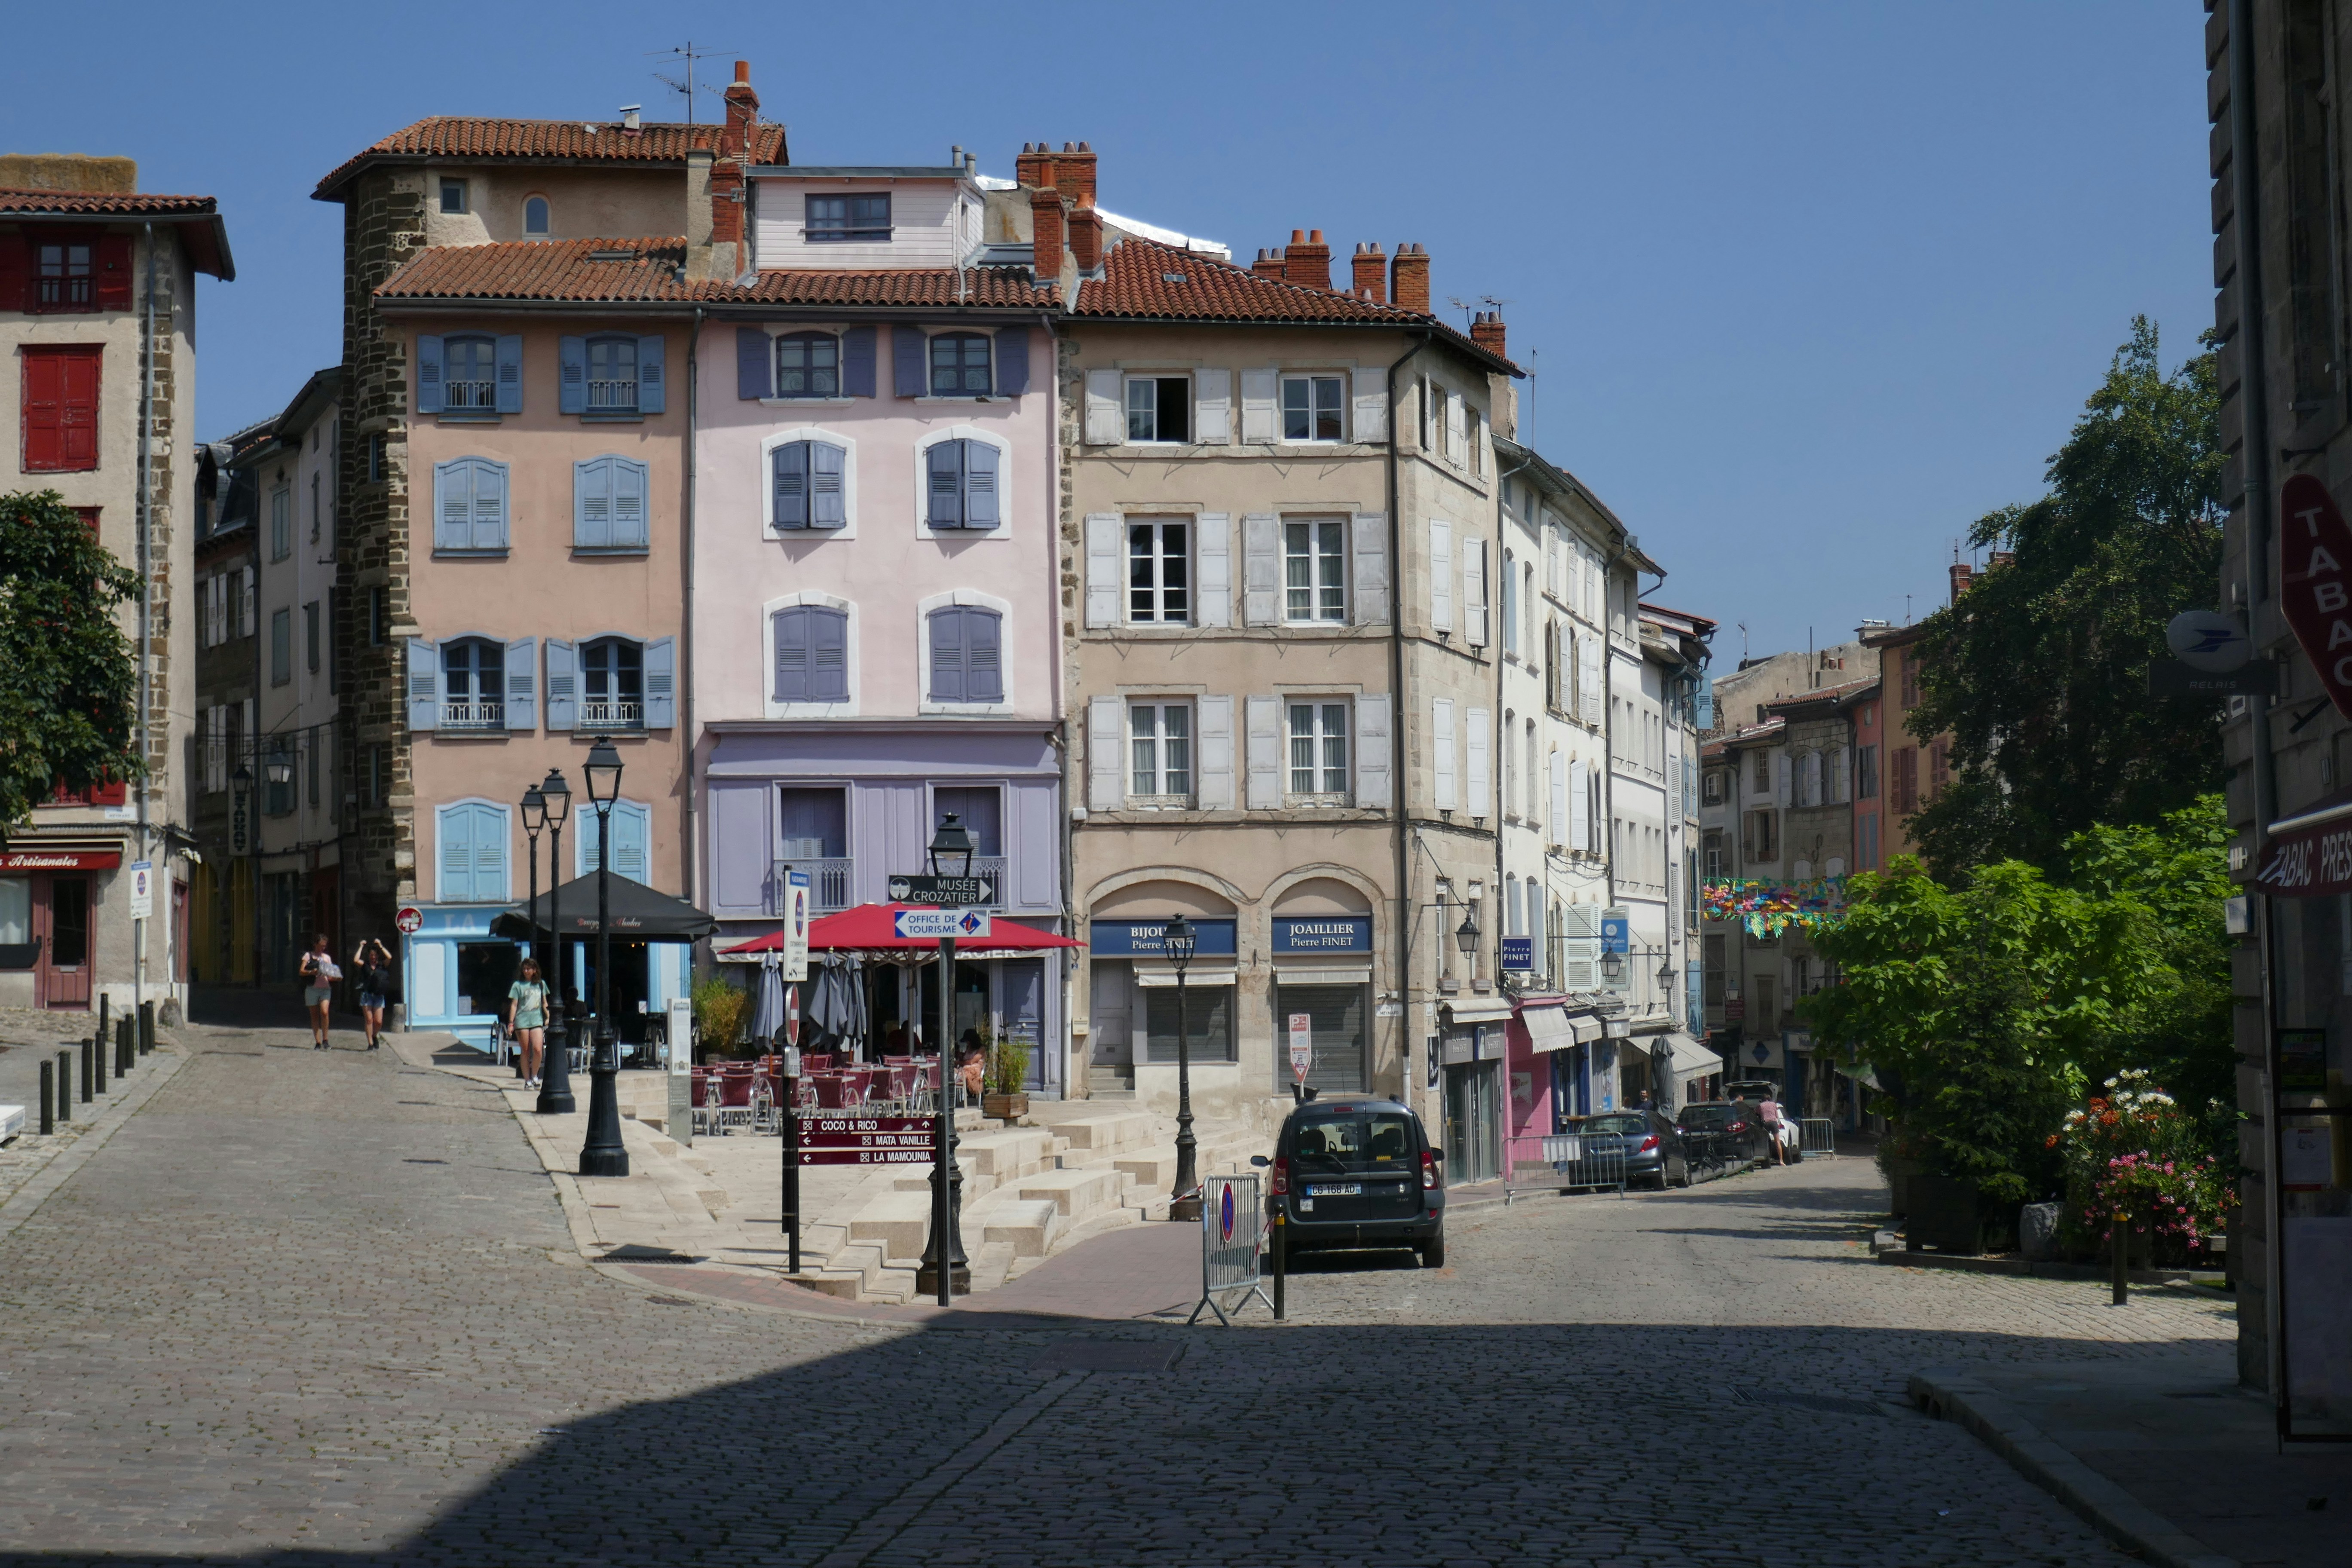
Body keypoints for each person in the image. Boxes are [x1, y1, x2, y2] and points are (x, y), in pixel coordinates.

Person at [507, 959, 551, 1089]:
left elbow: (544, 1003)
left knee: (538, 1049)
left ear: (534, 970)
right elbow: (514, 1005)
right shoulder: (518, 985)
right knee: (525, 1050)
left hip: (537, 1020)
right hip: (522, 1020)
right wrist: (511, 1023)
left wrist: (548, 1016)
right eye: (524, 969)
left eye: (529, 969)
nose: (526, 971)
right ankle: (527, 1080)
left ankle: (535, 1075)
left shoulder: (541, 984)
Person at [297, 935, 339, 1050]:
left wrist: (336, 978)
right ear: (315, 944)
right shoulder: (308, 956)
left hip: (325, 988)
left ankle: (326, 1039)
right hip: (312, 988)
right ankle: (318, 1042)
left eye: (324, 947)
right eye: (321, 946)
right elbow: (302, 971)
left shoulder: (327, 958)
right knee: (315, 1015)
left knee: (325, 1013)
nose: (323, 949)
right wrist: (312, 972)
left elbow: (330, 974)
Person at [352, 938, 394, 1051]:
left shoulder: (382, 965)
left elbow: (389, 957)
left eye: (375, 955)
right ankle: (370, 1043)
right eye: (371, 955)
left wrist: (380, 945)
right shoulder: (365, 965)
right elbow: (356, 960)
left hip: (379, 996)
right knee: (369, 1020)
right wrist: (361, 946)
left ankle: (375, 1035)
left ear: (378, 956)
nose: (373, 957)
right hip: (367, 995)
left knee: (379, 1021)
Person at [1758, 1095, 1787, 1166]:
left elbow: (1757, 1113)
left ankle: (1766, 1159)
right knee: (1777, 1142)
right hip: (1774, 1123)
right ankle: (1781, 1161)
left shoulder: (1761, 1105)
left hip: (1766, 1123)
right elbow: (1777, 1115)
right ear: (1769, 1099)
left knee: (1765, 1142)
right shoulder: (1774, 1104)